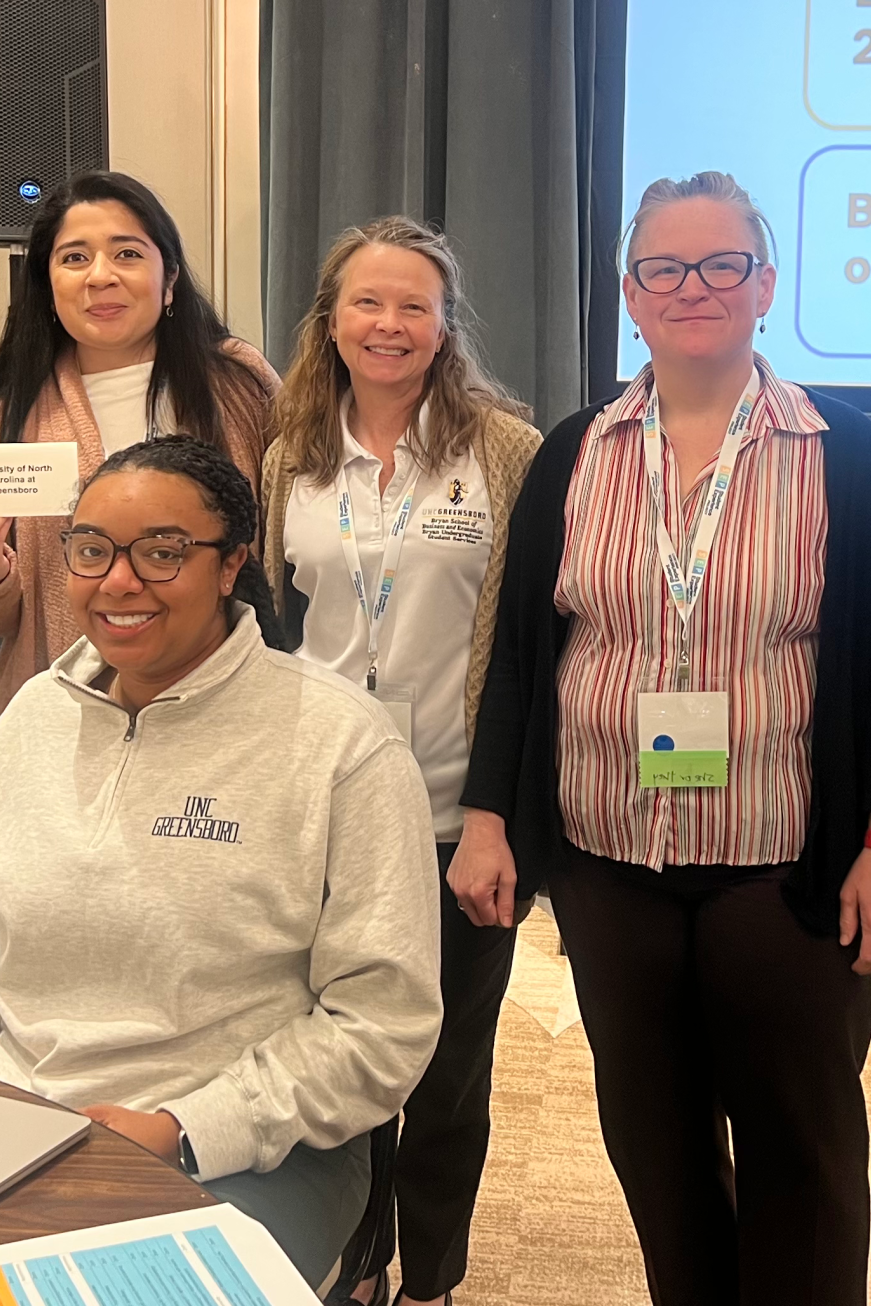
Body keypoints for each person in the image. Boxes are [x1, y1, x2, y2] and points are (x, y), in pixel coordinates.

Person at [461, 171, 871, 1306]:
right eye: (665, 268)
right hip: (608, 861)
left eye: (723, 264)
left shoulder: (844, 455)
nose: (695, 287)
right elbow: (521, 650)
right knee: (654, 1145)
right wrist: (488, 815)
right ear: (630, 294)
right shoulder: (574, 454)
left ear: (766, 283)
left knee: (799, 1152)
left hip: (783, 866)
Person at [0, 435, 442, 1284]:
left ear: (232, 567)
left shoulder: (340, 746)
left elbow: (382, 1025)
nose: (118, 581)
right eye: (91, 550)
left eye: (162, 552)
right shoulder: (35, 716)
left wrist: (184, 1126)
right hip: (5, 1119)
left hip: (242, 1148)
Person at [257, 217, 542, 1306]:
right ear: (330, 321)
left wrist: (495, 816)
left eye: (412, 305)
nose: (388, 325)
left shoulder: (502, 453)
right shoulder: (292, 455)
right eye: (366, 303)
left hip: (454, 821)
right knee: (338, 1064)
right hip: (325, 818)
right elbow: (279, 633)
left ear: (444, 325)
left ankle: (431, 1280)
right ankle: (357, 1263)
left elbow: (522, 652)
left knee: (447, 1072)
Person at [0, 171, 281, 731]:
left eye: (126, 253)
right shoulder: (13, 419)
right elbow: (3, 622)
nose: (101, 276)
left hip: (231, 703)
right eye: (74, 258)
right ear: (47, 285)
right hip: (72, 716)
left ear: (168, 278)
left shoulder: (238, 383)